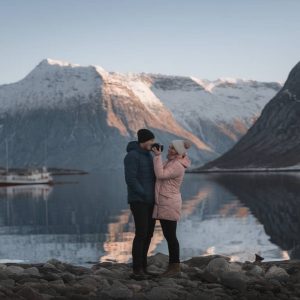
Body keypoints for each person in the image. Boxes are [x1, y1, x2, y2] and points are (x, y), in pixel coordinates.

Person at [151, 139, 191, 276]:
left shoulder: (177, 165)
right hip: (167, 201)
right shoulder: (172, 162)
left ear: (179, 151)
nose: (169, 150)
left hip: (169, 203)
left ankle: (174, 267)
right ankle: (174, 266)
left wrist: (157, 156)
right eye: (169, 147)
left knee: (170, 236)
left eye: (173, 149)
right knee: (169, 235)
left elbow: (160, 174)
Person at [124, 128, 156, 279]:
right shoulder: (132, 156)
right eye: (151, 141)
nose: (153, 143)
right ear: (143, 141)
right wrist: (144, 194)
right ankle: (137, 269)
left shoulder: (149, 155)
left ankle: (144, 267)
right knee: (141, 233)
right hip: (139, 201)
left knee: (149, 234)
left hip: (151, 201)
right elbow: (131, 179)